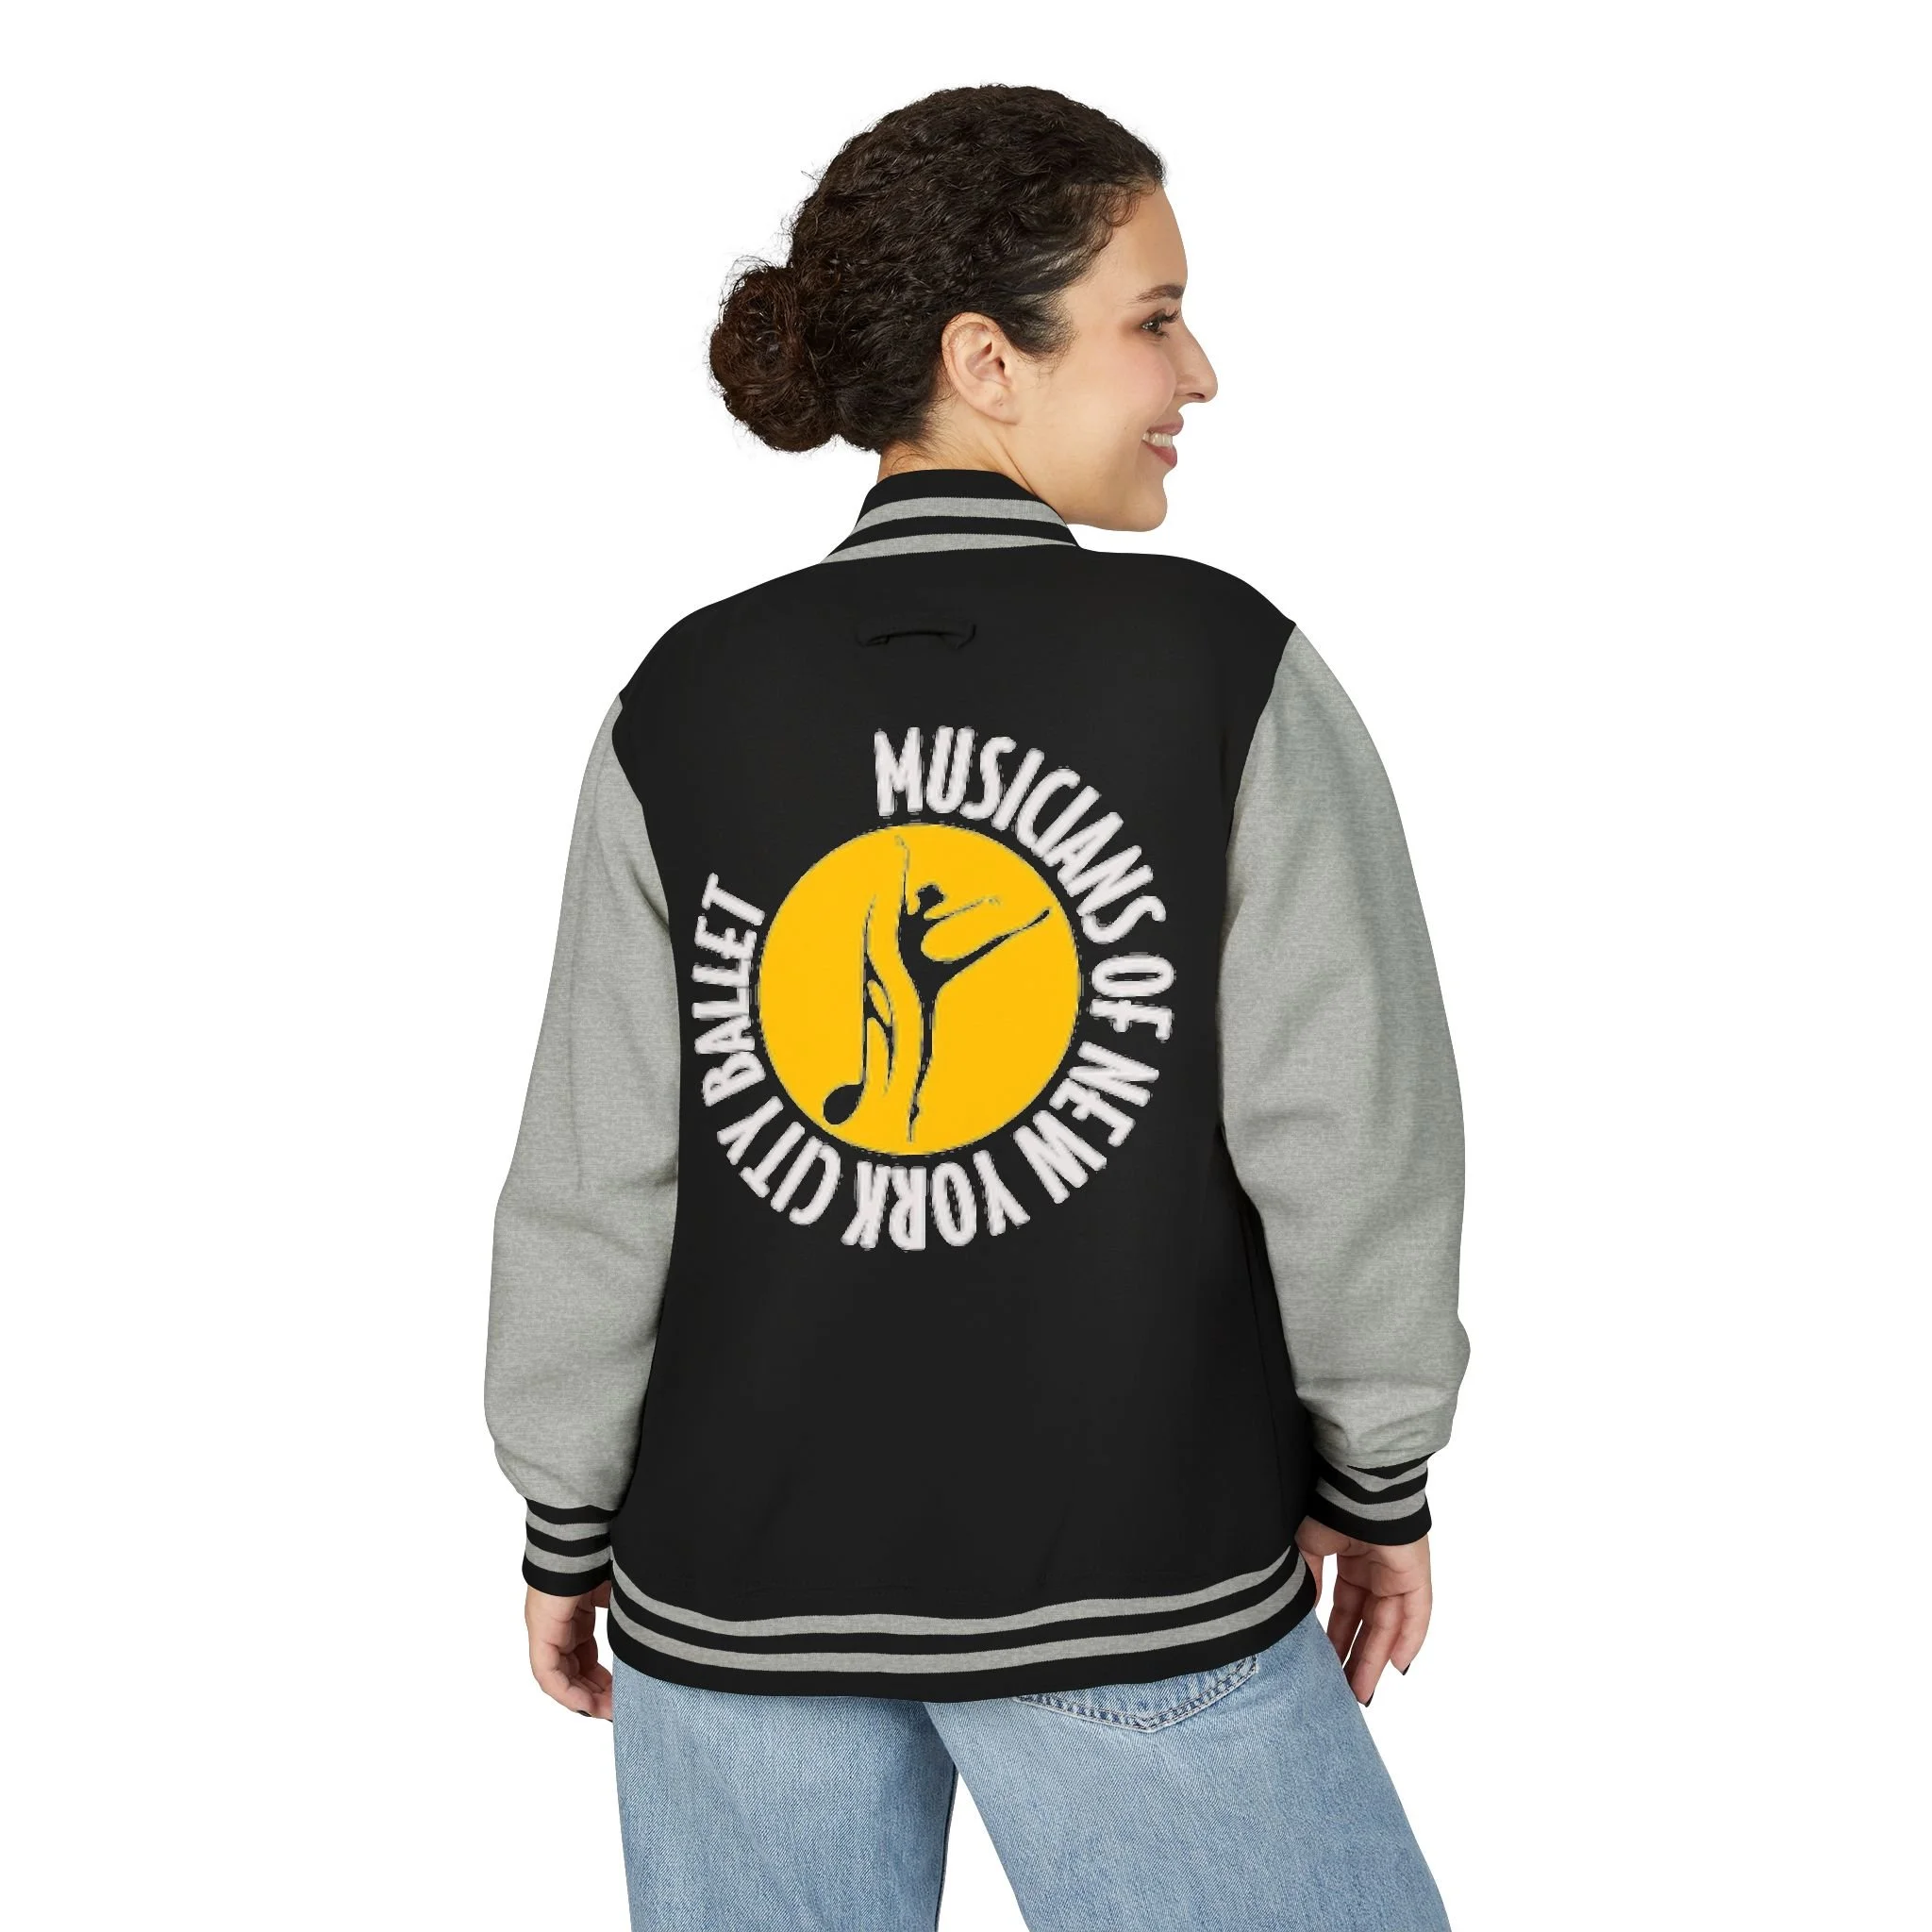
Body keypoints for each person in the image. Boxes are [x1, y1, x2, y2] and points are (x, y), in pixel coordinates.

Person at [484, 82, 1469, 1932]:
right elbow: (1348, 1128)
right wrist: (1379, 1469)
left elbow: (599, 1172)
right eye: (1153, 318)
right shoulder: (1221, 667)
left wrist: (564, 1512)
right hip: (1134, 1579)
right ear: (984, 361)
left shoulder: (686, 698)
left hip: (730, 1610)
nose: (1199, 372)